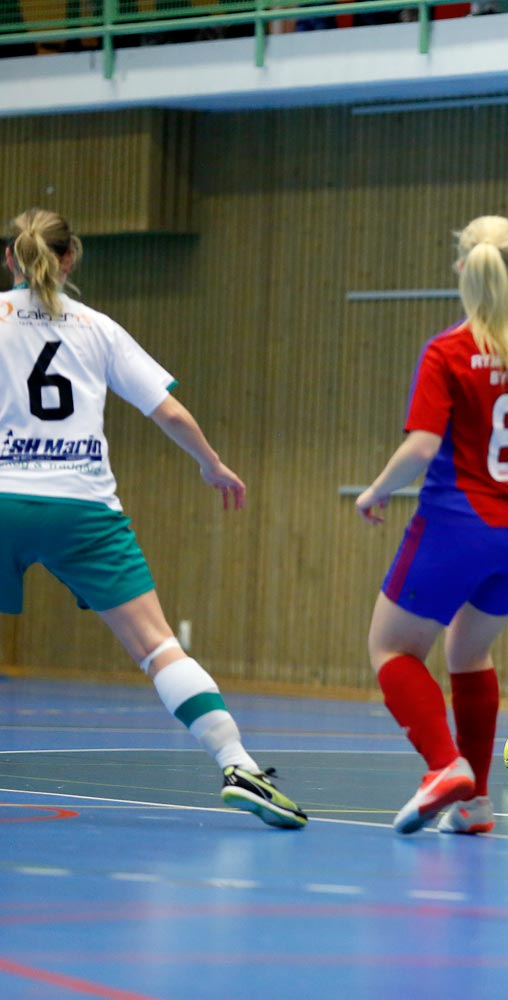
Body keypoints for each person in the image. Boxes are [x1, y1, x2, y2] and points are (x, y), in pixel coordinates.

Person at [0, 208, 306, 829]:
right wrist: (212, 464)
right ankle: (236, 763)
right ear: (70, 259)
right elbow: (167, 412)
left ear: (10, 259)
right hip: (82, 507)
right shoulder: (98, 328)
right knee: (157, 645)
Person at [357, 215, 508, 836]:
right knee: (469, 650)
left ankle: (443, 767)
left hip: (455, 526)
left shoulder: (450, 351)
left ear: (462, 269)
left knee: (393, 648)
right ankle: (474, 804)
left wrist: (375, 491)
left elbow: (420, 445)